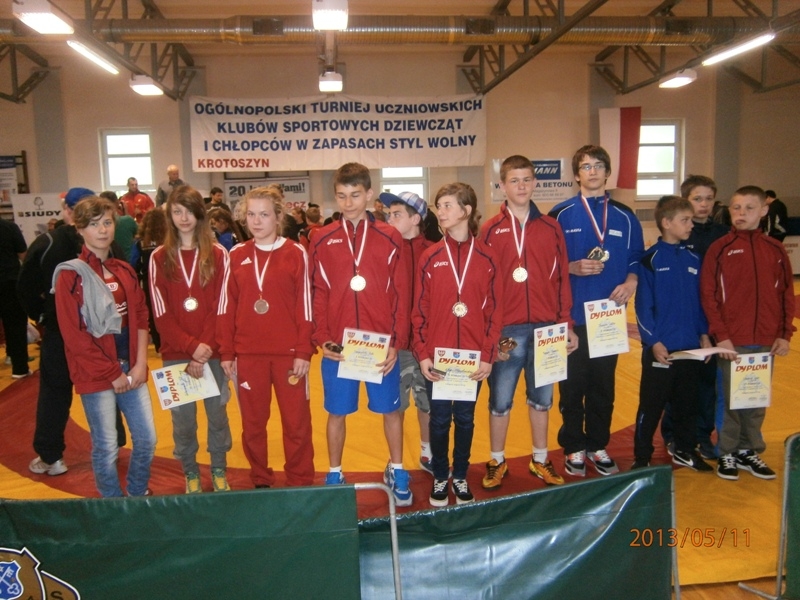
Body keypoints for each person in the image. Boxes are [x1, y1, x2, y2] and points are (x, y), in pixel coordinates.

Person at [308, 162, 412, 506]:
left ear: (369, 194)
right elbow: (318, 292)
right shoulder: (322, 239)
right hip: (340, 346)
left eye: (355, 195)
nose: (348, 203)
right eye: (341, 196)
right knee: (336, 412)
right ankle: (335, 472)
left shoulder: (390, 237)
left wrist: (395, 341)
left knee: (390, 411)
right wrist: (323, 338)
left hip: (379, 344)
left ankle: (398, 469)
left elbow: (401, 293)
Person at [480, 155, 577, 490]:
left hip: (548, 328)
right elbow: (483, 286)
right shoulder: (489, 230)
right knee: (500, 401)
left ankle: (540, 459)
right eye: (514, 181)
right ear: (502, 186)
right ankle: (497, 460)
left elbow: (562, 278)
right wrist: (489, 333)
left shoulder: (551, 227)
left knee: (542, 400)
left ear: (535, 183)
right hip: (506, 330)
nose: (521, 186)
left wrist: (566, 323)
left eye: (526, 180)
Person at [549, 145, 644, 477]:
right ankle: (574, 446)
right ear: (577, 175)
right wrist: (570, 267)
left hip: (608, 318)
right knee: (572, 387)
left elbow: (637, 258)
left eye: (598, 166)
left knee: (603, 387)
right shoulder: (560, 215)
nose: (592, 171)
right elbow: (546, 263)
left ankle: (598, 444)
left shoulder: (625, 216)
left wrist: (631, 280)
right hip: (572, 316)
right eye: (586, 166)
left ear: (607, 172)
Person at [53, 196, 156, 497]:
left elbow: (140, 317)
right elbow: (74, 335)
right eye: (94, 224)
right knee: (107, 445)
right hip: (96, 373)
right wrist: (111, 372)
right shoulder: (70, 275)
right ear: (79, 229)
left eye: (107, 223)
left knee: (147, 439)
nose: (102, 230)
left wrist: (140, 364)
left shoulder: (124, 269)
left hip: (131, 368)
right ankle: (111, 504)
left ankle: (137, 493)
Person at [18, 187, 125, 476]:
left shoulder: (48, 242)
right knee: (105, 385)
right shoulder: (103, 243)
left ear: (67, 210)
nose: (99, 228)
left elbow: (25, 287)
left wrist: (43, 315)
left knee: (57, 392)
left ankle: (51, 456)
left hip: (66, 333)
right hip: (96, 333)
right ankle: (112, 446)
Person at [217, 187, 315, 488]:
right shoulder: (237, 254)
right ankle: (260, 477)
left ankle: (300, 479)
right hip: (248, 355)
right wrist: (227, 352)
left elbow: (305, 305)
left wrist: (303, 350)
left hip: (289, 356)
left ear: (278, 217)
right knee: (253, 425)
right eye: (251, 214)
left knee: (296, 424)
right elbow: (226, 307)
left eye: (264, 214)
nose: (256, 221)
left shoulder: (295, 252)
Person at [412, 182, 502, 506]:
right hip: (438, 357)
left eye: (447, 205)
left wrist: (487, 356)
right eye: (439, 206)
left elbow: (495, 312)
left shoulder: (488, 258)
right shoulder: (430, 257)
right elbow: (419, 311)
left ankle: (460, 474)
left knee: (465, 419)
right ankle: (440, 475)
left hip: (471, 359)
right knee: (438, 420)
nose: (441, 212)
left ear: (466, 210)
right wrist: (423, 354)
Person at [700, 185, 795, 481]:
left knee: (755, 398)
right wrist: (721, 335)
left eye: (749, 208)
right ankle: (727, 451)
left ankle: (748, 449)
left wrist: (784, 334)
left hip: (766, 340)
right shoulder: (720, 248)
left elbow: (786, 294)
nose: (741, 213)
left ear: (764, 210)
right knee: (730, 399)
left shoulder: (775, 249)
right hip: (733, 341)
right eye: (736, 208)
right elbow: (709, 294)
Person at [149, 186, 233, 493]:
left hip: (212, 351)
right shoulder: (158, 257)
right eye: (177, 212)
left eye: (189, 211)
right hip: (176, 352)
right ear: (169, 216)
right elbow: (161, 314)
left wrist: (202, 349)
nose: (183, 218)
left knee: (217, 416)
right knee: (183, 421)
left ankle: (219, 467)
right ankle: (190, 471)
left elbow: (222, 307)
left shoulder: (219, 254)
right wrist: (191, 347)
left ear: (200, 214)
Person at [632, 195, 713, 472]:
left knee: (687, 405)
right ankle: (641, 457)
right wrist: (653, 342)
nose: (691, 225)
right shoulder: (650, 259)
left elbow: (699, 303)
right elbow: (643, 307)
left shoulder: (693, 259)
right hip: (661, 350)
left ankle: (685, 450)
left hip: (689, 348)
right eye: (685, 220)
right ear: (667, 223)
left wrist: (703, 335)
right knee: (651, 406)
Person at [661, 175, 729, 459]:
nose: (704, 204)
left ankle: (702, 434)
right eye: (697, 199)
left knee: (707, 384)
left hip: (712, 318)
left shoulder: (724, 234)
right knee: (678, 381)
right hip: (683, 320)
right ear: (684, 201)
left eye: (709, 199)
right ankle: (673, 434)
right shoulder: (680, 236)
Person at [382, 191, 434, 473]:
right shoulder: (384, 251)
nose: (389, 219)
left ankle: (428, 452)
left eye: (396, 214)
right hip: (395, 346)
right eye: (388, 214)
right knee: (394, 407)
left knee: (428, 405)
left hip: (427, 346)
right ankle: (396, 463)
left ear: (415, 219)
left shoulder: (436, 252)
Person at [130, 207, 167, 352]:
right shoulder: (169, 241)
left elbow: (133, 262)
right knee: (168, 310)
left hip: (148, 281)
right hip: (167, 280)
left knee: (152, 312)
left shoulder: (140, 243)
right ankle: (168, 341)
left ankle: (158, 345)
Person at [0, 216, 30, 378]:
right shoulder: (9, 227)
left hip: (9, 281)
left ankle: (14, 358)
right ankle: (19, 367)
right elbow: (23, 255)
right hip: (9, 282)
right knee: (15, 325)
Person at [101, 191, 137, 263]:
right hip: (129, 263)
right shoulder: (127, 220)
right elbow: (139, 234)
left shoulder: (97, 226)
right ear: (117, 202)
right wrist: (126, 212)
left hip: (106, 263)